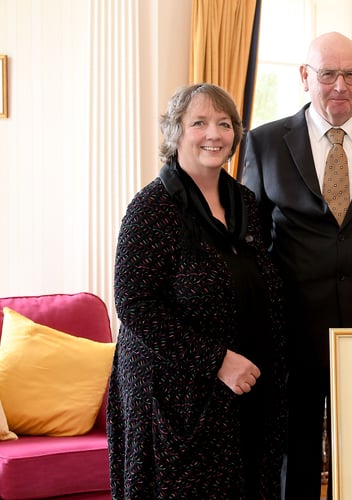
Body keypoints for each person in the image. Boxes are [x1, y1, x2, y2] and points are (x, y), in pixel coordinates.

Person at [239, 32, 352, 499]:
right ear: (305, 77)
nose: (340, 85)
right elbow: (251, 241)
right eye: (327, 74)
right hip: (293, 328)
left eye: (350, 75)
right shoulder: (264, 144)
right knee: (295, 453)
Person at [107, 83, 287, 499]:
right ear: (176, 132)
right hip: (174, 401)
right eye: (199, 123)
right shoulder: (150, 208)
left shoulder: (244, 201)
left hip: (245, 394)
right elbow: (134, 305)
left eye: (224, 124)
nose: (214, 134)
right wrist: (216, 361)